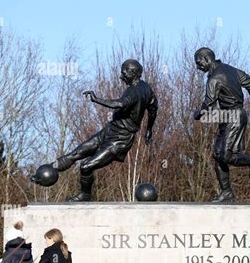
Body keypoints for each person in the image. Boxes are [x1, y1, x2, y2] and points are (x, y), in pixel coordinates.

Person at [32, 59, 158, 201]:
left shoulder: (134, 92)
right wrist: (149, 130)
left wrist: (96, 99)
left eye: (123, 73)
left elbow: (119, 104)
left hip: (119, 140)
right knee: (76, 153)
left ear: (133, 73)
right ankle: (49, 170)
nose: (121, 77)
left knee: (86, 166)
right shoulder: (147, 88)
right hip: (109, 131)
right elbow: (153, 108)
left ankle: (85, 195)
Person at [193, 47, 250, 202]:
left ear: (207, 58)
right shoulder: (230, 69)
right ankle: (227, 192)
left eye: (199, 63)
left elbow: (208, 105)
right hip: (227, 116)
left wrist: (197, 114)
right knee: (217, 154)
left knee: (225, 155)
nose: (198, 67)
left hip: (235, 116)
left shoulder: (214, 79)